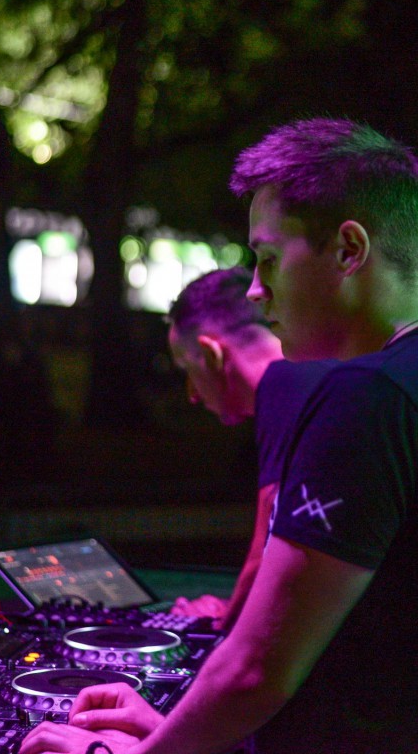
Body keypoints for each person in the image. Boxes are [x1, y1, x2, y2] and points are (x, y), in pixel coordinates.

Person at [21, 118, 418, 754]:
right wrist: (174, 734)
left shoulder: (370, 398)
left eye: (267, 260)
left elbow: (257, 669)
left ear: (349, 250)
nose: (256, 290)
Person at [165, 266, 331, 630]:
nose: (192, 394)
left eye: (186, 369)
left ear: (210, 353)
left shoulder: (283, 385)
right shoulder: (316, 373)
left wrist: (223, 622)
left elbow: (267, 550)